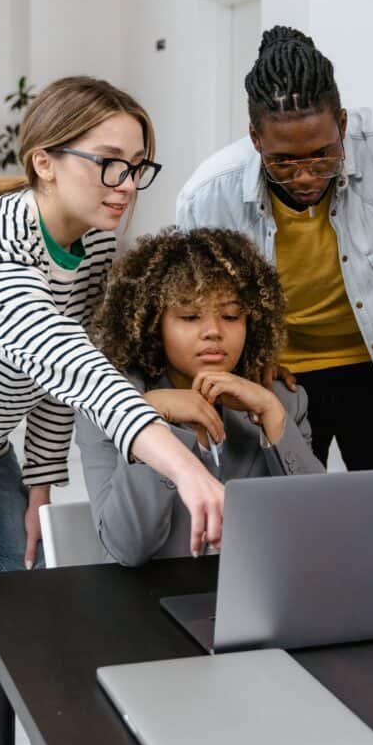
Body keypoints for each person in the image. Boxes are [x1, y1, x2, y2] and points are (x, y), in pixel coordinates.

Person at [0, 76, 224, 745]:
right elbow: (75, 365)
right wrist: (184, 469)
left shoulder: (89, 244)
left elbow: (54, 377)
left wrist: (42, 481)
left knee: (51, 613)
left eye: (139, 166)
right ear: (44, 162)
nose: (126, 185)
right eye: (109, 164)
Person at [176, 25, 373, 469]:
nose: (305, 176)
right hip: (281, 377)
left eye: (322, 155)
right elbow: (192, 305)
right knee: (293, 514)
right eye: (283, 161)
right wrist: (244, 360)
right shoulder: (207, 195)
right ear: (256, 139)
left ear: (343, 124)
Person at [77, 227, 324, 564]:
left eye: (231, 316)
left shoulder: (282, 398)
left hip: (257, 599)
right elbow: (127, 548)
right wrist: (156, 419)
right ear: (153, 323)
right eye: (190, 317)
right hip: (149, 605)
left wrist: (272, 414)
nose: (213, 332)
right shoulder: (111, 402)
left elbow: (320, 528)